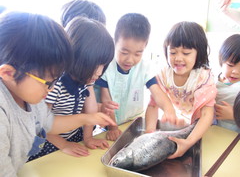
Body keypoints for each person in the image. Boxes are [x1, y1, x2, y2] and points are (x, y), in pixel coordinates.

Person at [0, 11, 115, 176]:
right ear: (9, 73)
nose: (52, 88)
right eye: (49, 82)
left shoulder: (32, 101)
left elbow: (49, 124)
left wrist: (87, 118)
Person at [28, 16, 115, 161]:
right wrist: (64, 145)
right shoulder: (55, 83)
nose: (99, 73)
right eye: (95, 65)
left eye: (103, 65)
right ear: (76, 57)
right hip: (50, 141)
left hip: (73, 135)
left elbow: (90, 111)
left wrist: (88, 138)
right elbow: (42, 124)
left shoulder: (86, 79)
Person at [95, 13, 176, 141]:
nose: (130, 60)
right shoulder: (106, 67)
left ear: (145, 46)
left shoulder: (145, 67)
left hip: (133, 122)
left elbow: (157, 92)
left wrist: (168, 109)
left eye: (138, 54)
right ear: (115, 42)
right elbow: (106, 99)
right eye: (124, 52)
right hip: (109, 124)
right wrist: (113, 128)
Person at [145, 21, 217, 159]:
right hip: (182, 120)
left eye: (186, 53)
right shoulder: (164, 74)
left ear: (199, 53)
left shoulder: (203, 77)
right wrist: (150, 131)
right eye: (172, 52)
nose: (178, 58)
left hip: (202, 124)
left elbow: (207, 114)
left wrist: (189, 142)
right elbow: (153, 104)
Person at [215, 34, 240, 132]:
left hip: (234, 135)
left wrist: (234, 115)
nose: (236, 72)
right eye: (231, 65)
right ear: (221, 61)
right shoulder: (211, 80)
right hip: (215, 129)